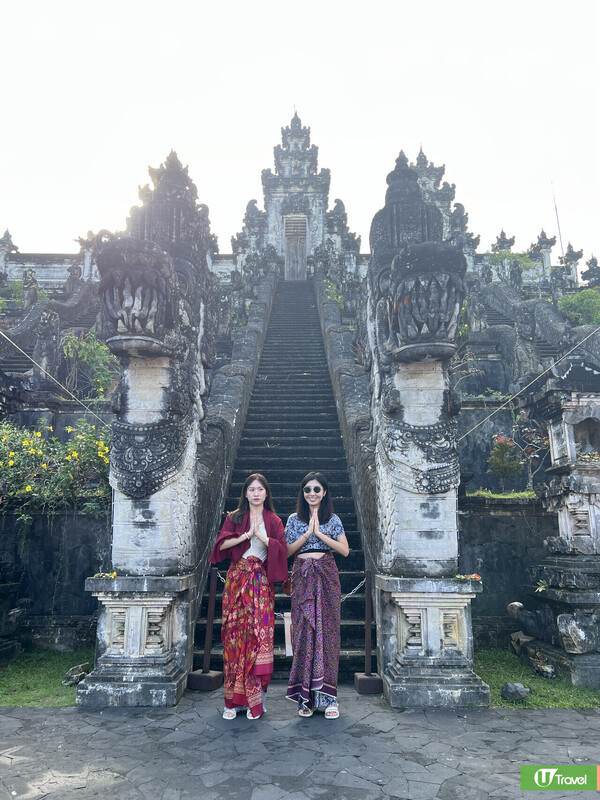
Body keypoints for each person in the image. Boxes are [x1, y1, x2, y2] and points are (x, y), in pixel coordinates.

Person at [209, 473, 287, 720]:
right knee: (233, 641)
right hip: (236, 581)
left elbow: (282, 551)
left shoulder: (273, 520)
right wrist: (245, 535)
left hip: (260, 585)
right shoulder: (234, 518)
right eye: (251, 489)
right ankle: (232, 703)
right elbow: (220, 547)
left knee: (257, 640)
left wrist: (263, 537)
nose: (255, 493)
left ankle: (256, 702)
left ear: (266, 493)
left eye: (260, 489)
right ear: (245, 493)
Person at [285, 472, 350, 719]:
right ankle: (305, 698)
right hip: (302, 576)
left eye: (316, 489)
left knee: (328, 633)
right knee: (304, 633)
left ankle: (329, 698)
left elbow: (344, 550)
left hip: (326, 575)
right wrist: (306, 534)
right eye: (307, 490)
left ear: (324, 493)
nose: (311, 493)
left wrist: (320, 534)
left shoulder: (333, 519)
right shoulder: (293, 519)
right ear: (303, 493)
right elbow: (287, 551)